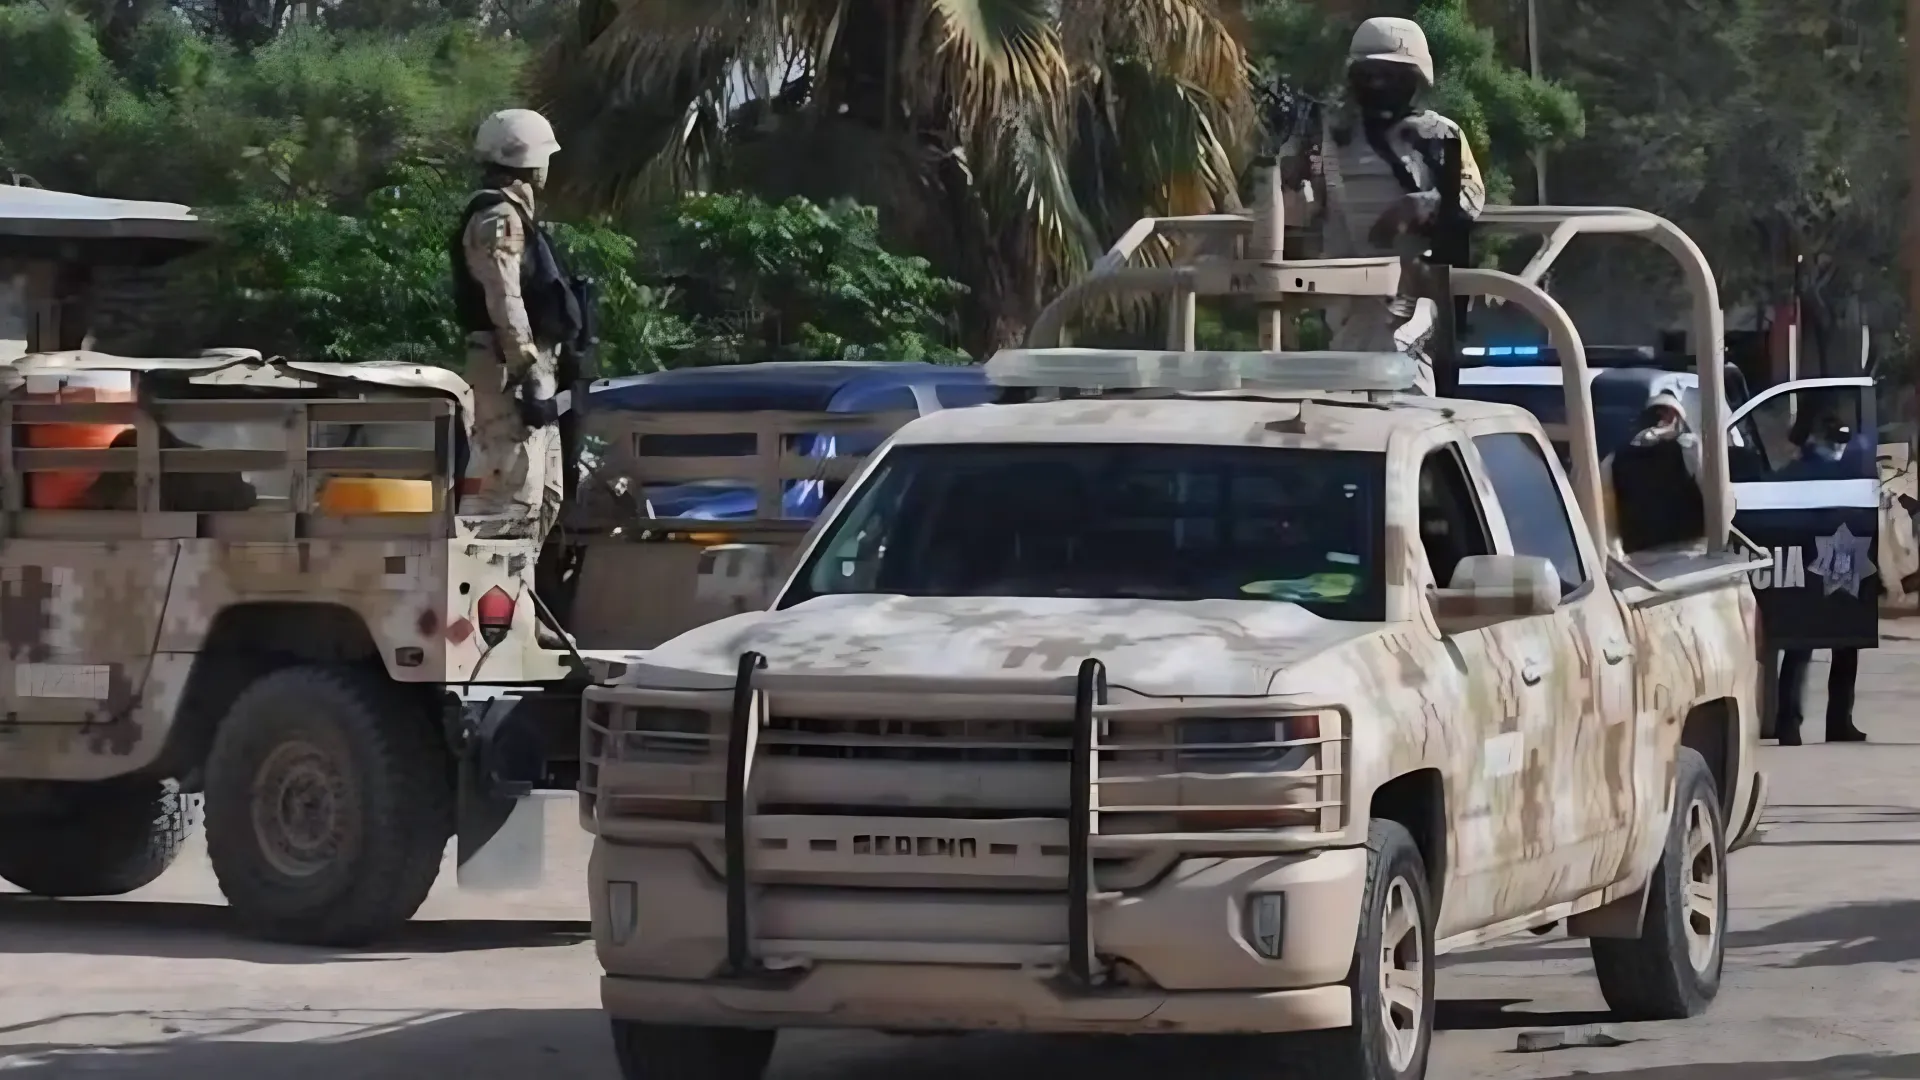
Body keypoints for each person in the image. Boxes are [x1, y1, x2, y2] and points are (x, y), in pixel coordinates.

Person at [1285, 17, 1487, 394]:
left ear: (1415, 78)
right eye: (1370, 73)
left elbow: (1470, 196)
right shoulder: (1330, 135)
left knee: (1411, 399)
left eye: (1390, 74)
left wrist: (1420, 206)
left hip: (1413, 304)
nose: (1378, 83)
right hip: (1350, 305)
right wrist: (1293, 173)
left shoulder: (1438, 133)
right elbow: (1297, 210)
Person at [449, 107, 579, 546]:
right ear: (529, 160)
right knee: (505, 502)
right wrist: (526, 369)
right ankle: (489, 605)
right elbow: (504, 297)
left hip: (529, 368)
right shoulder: (499, 218)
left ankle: (517, 598)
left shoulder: (515, 215)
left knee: (544, 497)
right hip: (509, 370)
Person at [1774, 405, 1871, 744]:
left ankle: (1835, 722)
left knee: (1845, 643)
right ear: (1819, 439)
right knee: (1801, 644)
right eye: (1835, 441)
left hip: (1841, 554)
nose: (1839, 448)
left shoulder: (1847, 468)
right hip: (1814, 555)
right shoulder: (1800, 470)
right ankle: (1790, 723)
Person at [1600, 391, 1705, 554]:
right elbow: (1715, 499)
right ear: (1677, 420)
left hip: (1640, 563)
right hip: (1691, 555)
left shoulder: (1612, 461)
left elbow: (1608, 526)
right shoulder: (1691, 449)